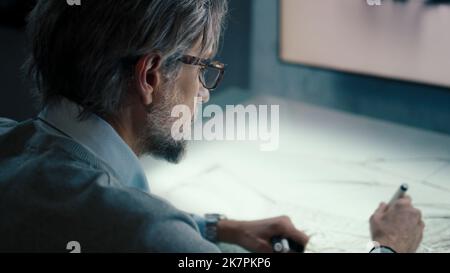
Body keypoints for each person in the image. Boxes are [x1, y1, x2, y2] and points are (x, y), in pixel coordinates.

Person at [0, 0, 424, 253]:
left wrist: (217, 228)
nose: (204, 93)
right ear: (150, 76)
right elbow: (138, 231)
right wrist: (389, 247)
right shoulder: (148, 234)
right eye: (203, 68)